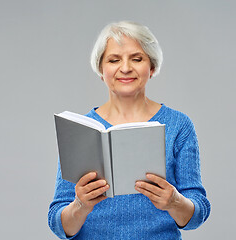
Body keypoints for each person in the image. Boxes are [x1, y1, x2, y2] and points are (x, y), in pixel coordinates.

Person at [48, 21, 211, 239]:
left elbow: (197, 215)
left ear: (151, 67)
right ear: (101, 69)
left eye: (137, 59)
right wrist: (80, 205)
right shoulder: (79, 130)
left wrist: (174, 201)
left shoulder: (178, 125)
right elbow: (58, 224)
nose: (125, 68)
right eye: (114, 60)